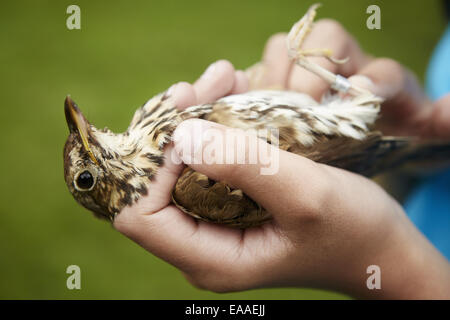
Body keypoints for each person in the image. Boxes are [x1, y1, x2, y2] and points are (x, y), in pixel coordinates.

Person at [113, 17, 450, 299]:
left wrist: (388, 255)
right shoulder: (183, 184)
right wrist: (419, 132)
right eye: (88, 179)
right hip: (353, 144)